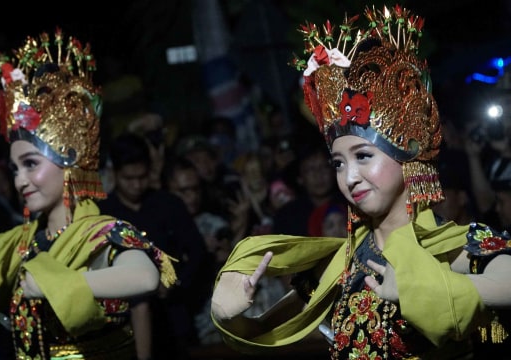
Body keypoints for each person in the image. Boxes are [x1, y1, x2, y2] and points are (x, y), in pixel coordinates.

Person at [210, 5, 511, 359]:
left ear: (407, 154)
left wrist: (421, 286)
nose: (349, 177)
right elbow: (266, 333)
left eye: (363, 156)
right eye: (338, 163)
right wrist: (228, 313)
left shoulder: (446, 247)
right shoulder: (340, 264)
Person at [0, 29, 177, 360]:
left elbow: (145, 276)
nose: (20, 181)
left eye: (31, 164)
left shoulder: (101, 235)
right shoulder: (23, 244)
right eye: (15, 169)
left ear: (69, 160)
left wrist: (59, 284)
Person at [97, 132, 210, 360]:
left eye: (142, 177)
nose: (137, 185)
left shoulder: (168, 205)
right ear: (114, 174)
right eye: (129, 179)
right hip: (125, 323)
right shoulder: (103, 216)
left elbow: (197, 252)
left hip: (175, 316)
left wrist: (174, 281)